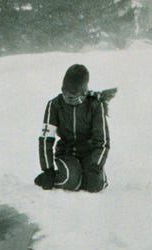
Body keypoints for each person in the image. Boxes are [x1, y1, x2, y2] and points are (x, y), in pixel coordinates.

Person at [34, 64, 116, 192]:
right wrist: (48, 169)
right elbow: (46, 139)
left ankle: (89, 173)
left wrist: (96, 166)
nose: (68, 99)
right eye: (65, 94)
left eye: (73, 96)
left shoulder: (94, 105)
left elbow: (102, 141)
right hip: (67, 152)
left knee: (94, 186)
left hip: (88, 153)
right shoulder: (54, 105)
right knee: (71, 182)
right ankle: (55, 176)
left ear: (83, 92)